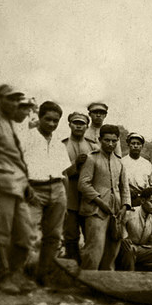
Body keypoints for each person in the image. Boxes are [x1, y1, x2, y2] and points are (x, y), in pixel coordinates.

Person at [20, 101, 71, 284]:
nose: (51, 124)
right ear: (39, 117)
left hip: (56, 189)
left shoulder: (58, 144)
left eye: (55, 121)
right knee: (28, 235)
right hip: (33, 188)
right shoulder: (26, 139)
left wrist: (63, 199)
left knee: (54, 236)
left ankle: (44, 276)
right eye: (48, 119)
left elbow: (63, 172)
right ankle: (21, 276)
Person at [0, 85, 36, 294]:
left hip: (18, 186)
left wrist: (26, 184)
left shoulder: (10, 124)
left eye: (16, 100)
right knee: (1, 234)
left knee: (25, 235)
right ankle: (2, 278)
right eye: (9, 99)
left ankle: (14, 274)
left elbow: (16, 159)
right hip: (1, 186)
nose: (14, 103)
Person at [78, 124, 131, 270]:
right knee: (94, 249)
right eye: (107, 140)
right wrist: (99, 201)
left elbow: (124, 187)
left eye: (114, 141)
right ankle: (88, 283)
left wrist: (125, 207)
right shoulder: (91, 158)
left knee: (112, 251)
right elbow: (83, 184)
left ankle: (106, 283)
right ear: (100, 139)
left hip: (116, 212)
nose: (111, 144)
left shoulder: (119, 162)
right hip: (95, 211)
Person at [62, 112, 98, 262]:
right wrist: (75, 164)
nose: (78, 125)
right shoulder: (62, 145)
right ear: (69, 124)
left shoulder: (93, 145)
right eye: (75, 122)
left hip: (88, 199)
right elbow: (60, 171)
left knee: (92, 236)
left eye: (82, 123)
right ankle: (72, 267)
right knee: (71, 236)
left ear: (87, 126)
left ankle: (88, 271)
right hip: (69, 197)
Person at [121, 132, 152, 207]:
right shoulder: (122, 162)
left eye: (138, 144)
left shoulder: (147, 164)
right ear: (128, 145)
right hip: (128, 200)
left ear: (142, 146)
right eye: (133, 143)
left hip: (144, 200)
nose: (135, 146)